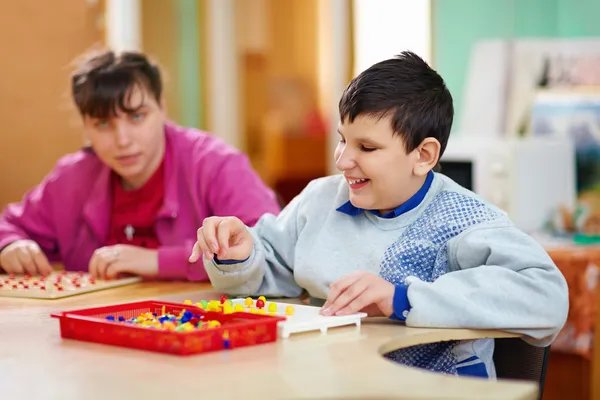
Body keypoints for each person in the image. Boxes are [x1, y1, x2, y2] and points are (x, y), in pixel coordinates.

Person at [189, 51, 569, 378]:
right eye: (343, 139)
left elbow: (547, 297)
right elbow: (269, 268)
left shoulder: (462, 218)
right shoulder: (320, 199)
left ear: (423, 156)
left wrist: (402, 298)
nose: (342, 160)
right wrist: (239, 255)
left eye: (366, 147)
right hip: (326, 380)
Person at [0, 49, 280, 281]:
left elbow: (268, 246)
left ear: (162, 107)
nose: (122, 140)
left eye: (137, 117)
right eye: (103, 124)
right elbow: (7, 226)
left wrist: (157, 260)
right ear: (85, 125)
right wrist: (11, 246)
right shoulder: (72, 177)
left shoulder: (216, 164)